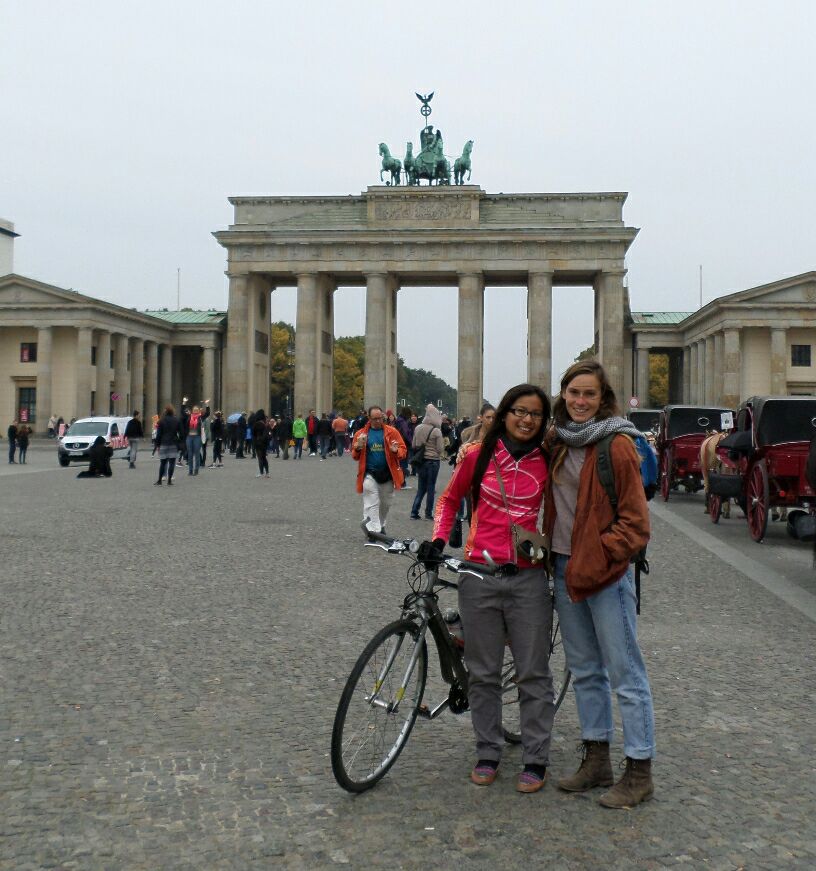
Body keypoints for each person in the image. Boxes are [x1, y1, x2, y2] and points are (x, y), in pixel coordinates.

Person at [431, 383, 554, 793]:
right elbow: (449, 500)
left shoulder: (549, 459)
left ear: (543, 420)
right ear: (504, 413)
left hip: (528, 576)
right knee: (483, 673)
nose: (526, 419)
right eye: (519, 411)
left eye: (535, 414)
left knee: (533, 671)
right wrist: (438, 539)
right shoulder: (477, 454)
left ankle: (536, 756)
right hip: (479, 573)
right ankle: (488, 750)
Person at [544, 360, 655, 808]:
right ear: (563, 394)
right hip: (563, 568)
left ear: (602, 397)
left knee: (626, 672)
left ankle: (640, 770)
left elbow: (636, 522)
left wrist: (603, 554)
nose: (580, 401)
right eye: (574, 392)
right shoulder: (556, 440)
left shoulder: (618, 445)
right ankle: (597, 759)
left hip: (605, 574)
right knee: (585, 669)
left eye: (589, 393)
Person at [352, 405, 406, 534]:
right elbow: (355, 456)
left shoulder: (392, 432)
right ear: (369, 418)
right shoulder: (361, 434)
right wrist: (358, 447)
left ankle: (380, 525)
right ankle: (374, 531)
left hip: (388, 473)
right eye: (375, 418)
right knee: (372, 502)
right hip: (369, 473)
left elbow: (403, 451)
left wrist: (396, 451)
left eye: (380, 418)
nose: (378, 421)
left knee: (386, 503)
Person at [409, 404, 445, 520]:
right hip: (433, 461)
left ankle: (414, 512)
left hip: (421, 461)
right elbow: (440, 449)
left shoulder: (418, 428)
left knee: (421, 488)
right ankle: (428, 513)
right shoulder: (436, 431)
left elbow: (414, 445)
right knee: (431, 488)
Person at [154, 404, 181, 485]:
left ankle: (159, 480)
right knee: (172, 463)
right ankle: (169, 480)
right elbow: (181, 433)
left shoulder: (161, 421)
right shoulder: (176, 420)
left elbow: (158, 434)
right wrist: (179, 442)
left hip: (164, 443)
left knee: (163, 463)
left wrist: (157, 444)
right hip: (173, 443)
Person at [252, 409, 270, 478]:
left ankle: (261, 472)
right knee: (264, 457)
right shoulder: (265, 423)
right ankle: (267, 473)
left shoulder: (256, 424)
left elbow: (253, 433)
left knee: (260, 458)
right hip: (264, 443)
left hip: (258, 442)